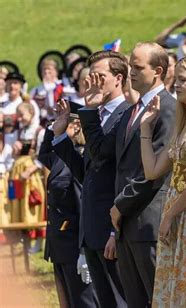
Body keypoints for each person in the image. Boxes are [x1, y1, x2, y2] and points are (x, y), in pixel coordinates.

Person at [78, 42, 176, 307]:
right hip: (127, 226)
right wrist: (89, 110)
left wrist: (120, 205)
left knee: (158, 300)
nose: (131, 72)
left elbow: (154, 171)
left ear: (157, 71)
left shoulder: (168, 107)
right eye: (130, 65)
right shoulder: (134, 111)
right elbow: (101, 153)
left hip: (148, 222)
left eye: (137, 67)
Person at [53, 51, 130, 308]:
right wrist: (62, 137)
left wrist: (113, 230)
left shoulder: (126, 115)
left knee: (121, 300)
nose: (92, 82)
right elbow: (89, 175)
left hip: (113, 227)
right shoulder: (97, 115)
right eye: (90, 76)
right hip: (92, 228)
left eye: (100, 76)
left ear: (118, 78)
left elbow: (122, 174)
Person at [140, 56, 186, 307]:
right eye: (176, 79)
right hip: (174, 208)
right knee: (171, 284)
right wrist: (146, 129)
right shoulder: (181, 122)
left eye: (183, 80)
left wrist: (170, 214)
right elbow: (152, 170)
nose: (176, 85)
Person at [39, 111, 98, 308]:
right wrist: (52, 129)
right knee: (67, 301)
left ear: (76, 127)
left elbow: (83, 207)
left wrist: (84, 250)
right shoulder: (59, 158)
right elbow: (43, 154)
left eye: (66, 124)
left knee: (82, 301)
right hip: (59, 244)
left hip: (73, 244)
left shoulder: (80, 159)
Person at [9, 102, 46, 252]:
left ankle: (37, 241)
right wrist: (15, 151)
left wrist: (29, 171)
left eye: (22, 115)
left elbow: (42, 156)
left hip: (31, 175)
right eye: (18, 115)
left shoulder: (39, 132)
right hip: (18, 172)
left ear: (31, 113)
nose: (19, 119)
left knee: (33, 204)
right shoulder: (21, 132)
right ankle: (23, 240)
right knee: (19, 203)